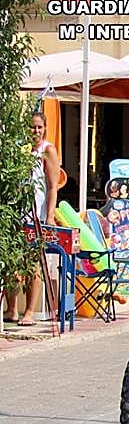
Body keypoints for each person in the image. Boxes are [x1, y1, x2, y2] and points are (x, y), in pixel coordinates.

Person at [4, 112, 61, 326]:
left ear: (45, 128)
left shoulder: (48, 150)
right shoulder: (19, 150)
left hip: (35, 214)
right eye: (31, 127)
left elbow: (53, 186)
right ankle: (11, 309)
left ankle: (29, 311)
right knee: (11, 263)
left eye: (39, 127)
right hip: (16, 213)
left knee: (32, 263)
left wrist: (49, 215)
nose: (35, 131)